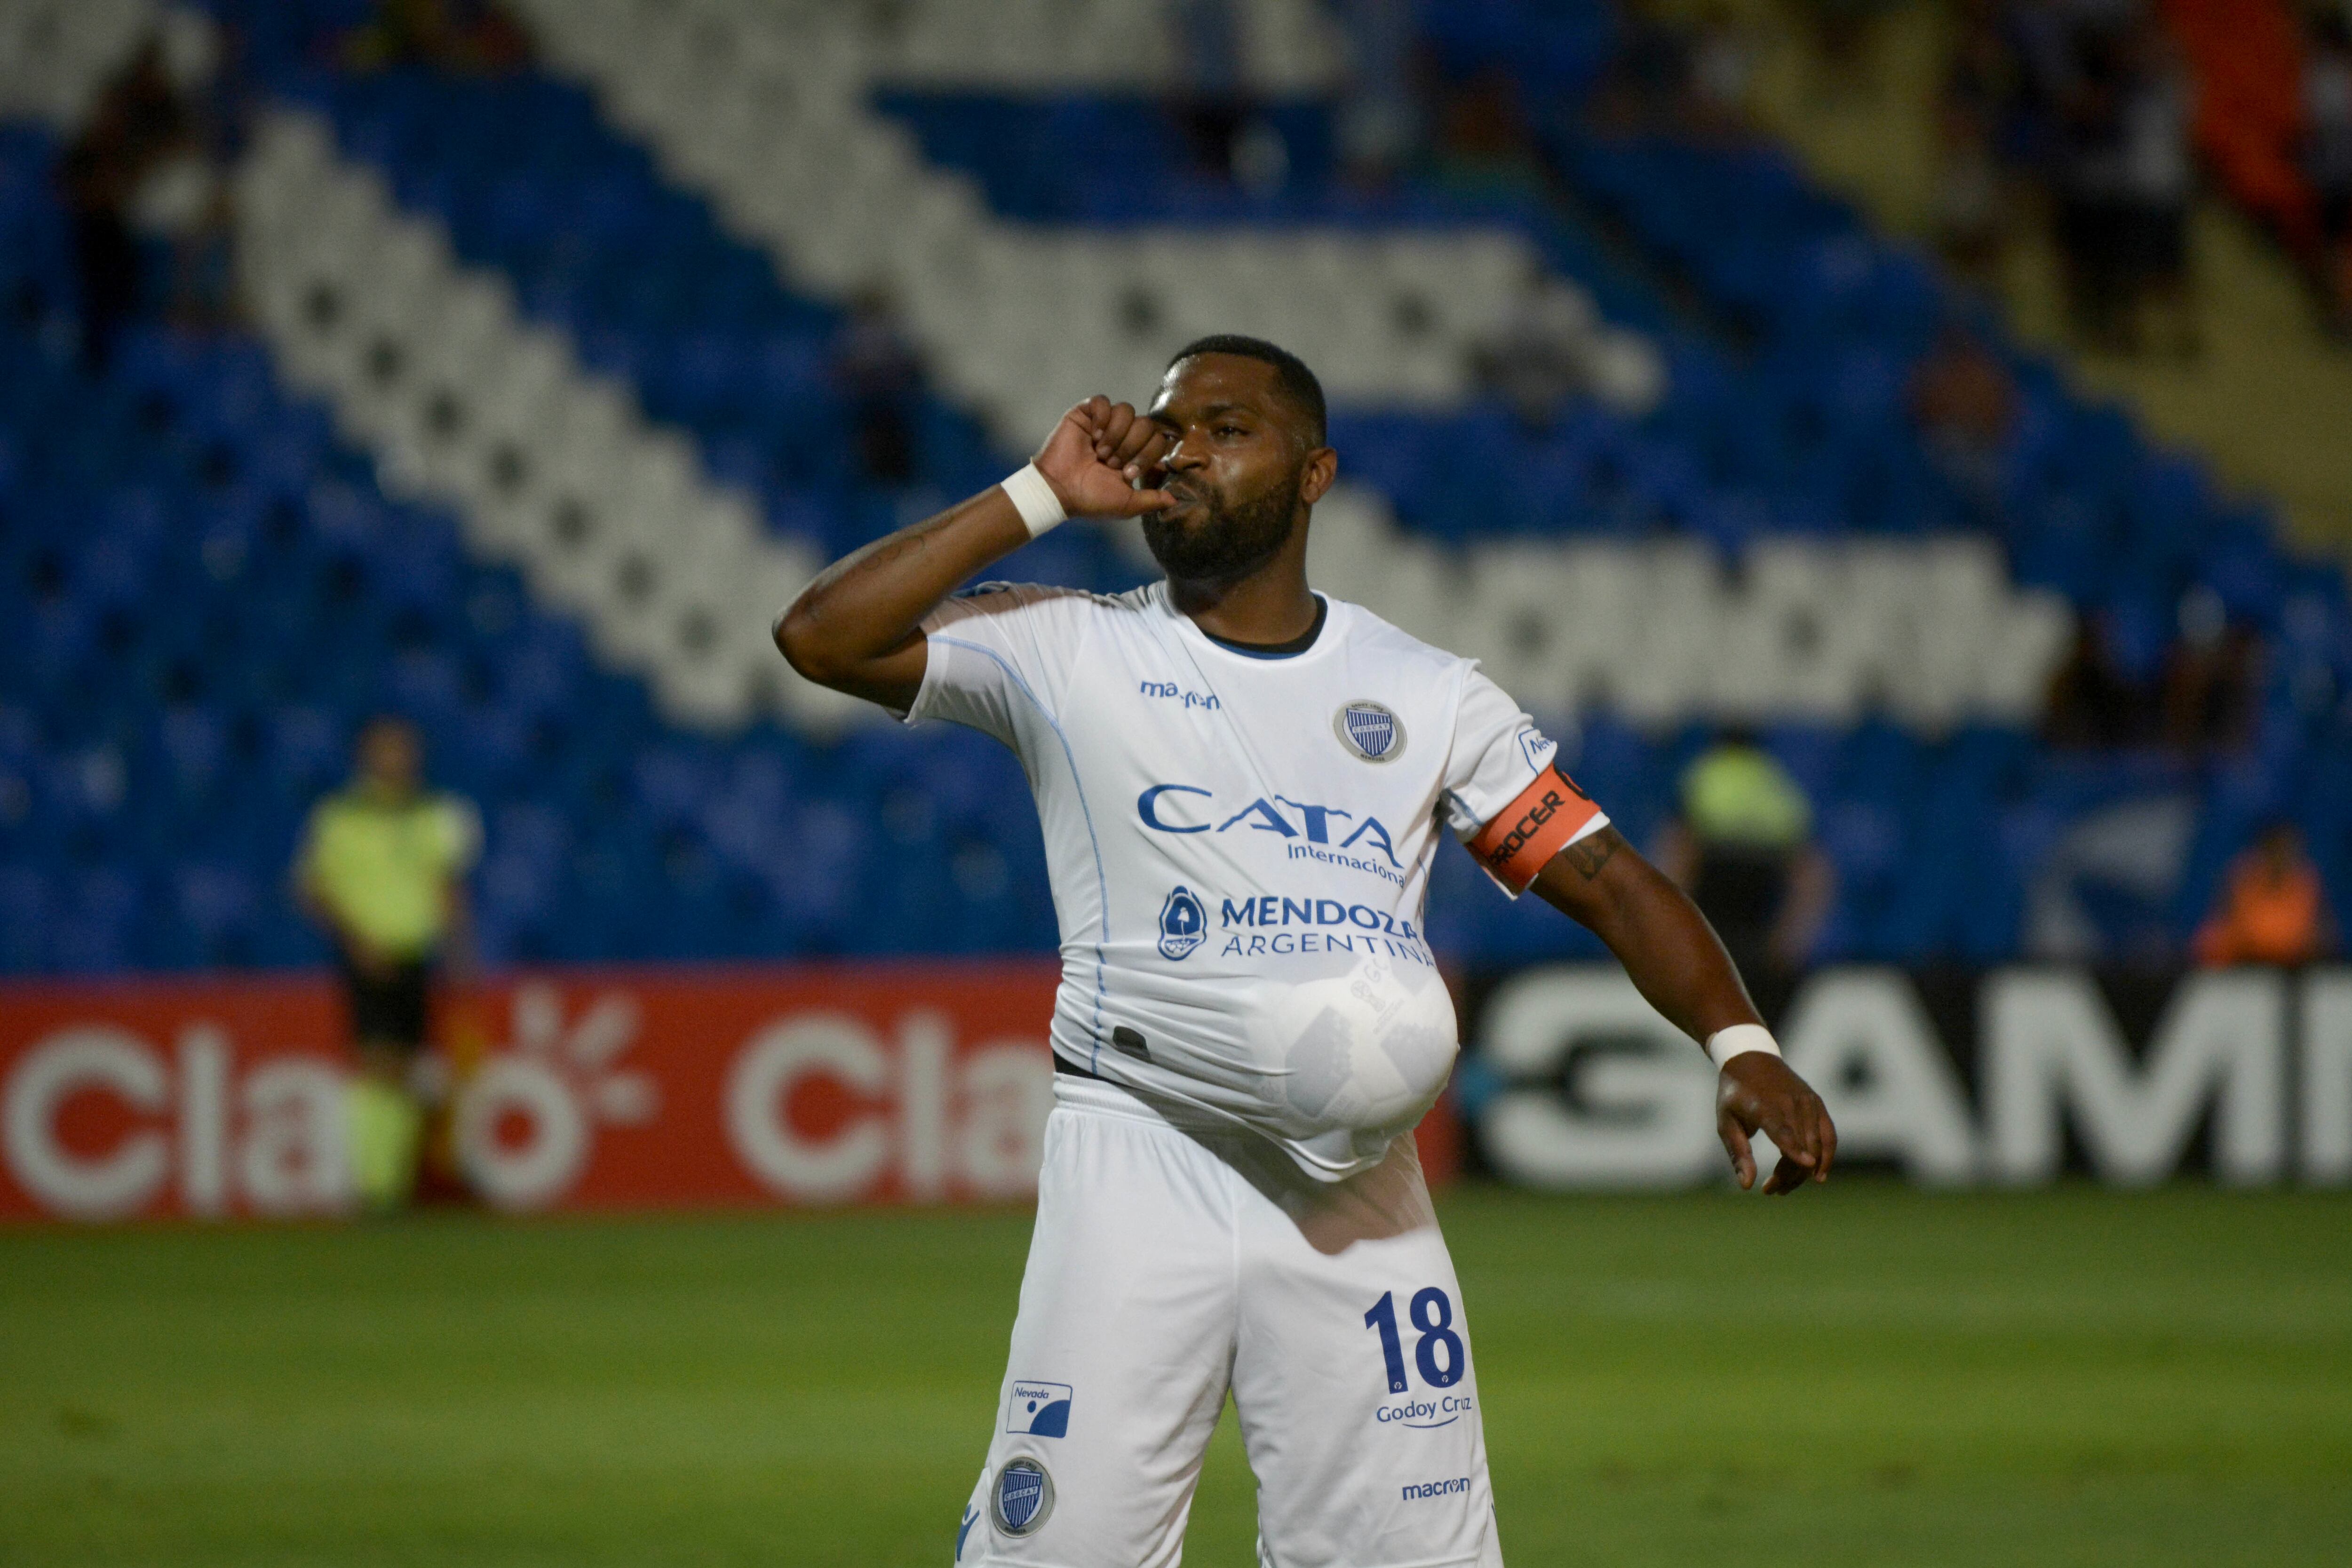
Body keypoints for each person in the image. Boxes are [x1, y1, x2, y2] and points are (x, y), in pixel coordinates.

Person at [776, 336, 1837, 1567]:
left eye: (1227, 427)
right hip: (1141, 1152)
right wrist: (1040, 492)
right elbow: (822, 637)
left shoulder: (1427, 692)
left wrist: (1741, 1039)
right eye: (1169, 424)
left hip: (1357, 1191)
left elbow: (1603, 874)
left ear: (1315, 473)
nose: (1182, 447)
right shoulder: (1065, 646)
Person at [296, 717, 479, 1212]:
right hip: (368, 953)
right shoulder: (340, 816)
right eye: (387, 750)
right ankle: (372, 1183)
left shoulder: (436, 813)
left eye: (405, 749)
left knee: (407, 1066)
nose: (398, 759)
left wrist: (460, 954)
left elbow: (449, 889)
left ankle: (392, 1183)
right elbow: (312, 888)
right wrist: (356, 941)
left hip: (417, 954)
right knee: (376, 1061)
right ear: (366, 757)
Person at [1657, 730, 1834, 1022]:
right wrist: (1788, 939)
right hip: (1761, 937)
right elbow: (1812, 875)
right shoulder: (1776, 784)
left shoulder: (1706, 776)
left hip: (1707, 933)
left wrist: (1670, 932)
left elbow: (1679, 857)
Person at [2193, 821, 2336, 966]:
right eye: (2277, 849)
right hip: (2242, 967)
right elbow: (2225, 932)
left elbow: (2321, 937)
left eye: (2289, 850)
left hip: (2295, 969)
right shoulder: (2242, 878)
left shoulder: (2308, 881)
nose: (2282, 857)